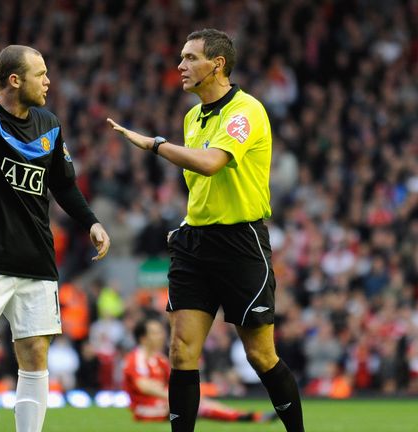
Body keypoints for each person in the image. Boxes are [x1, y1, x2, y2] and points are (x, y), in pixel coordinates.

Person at [107, 28, 305, 432]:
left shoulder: (246, 110)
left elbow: (213, 164)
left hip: (241, 242)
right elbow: (204, 189)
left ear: (217, 64)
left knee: (260, 355)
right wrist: (188, 223)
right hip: (195, 243)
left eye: (190, 58)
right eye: (181, 57)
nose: (180, 65)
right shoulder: (192, 117)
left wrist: (154, 144)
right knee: (181, 350)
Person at [0, 45, 110, 432]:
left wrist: (92, 222)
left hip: (36, 262)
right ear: (15, 80)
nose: (48, 80)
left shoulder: (49, 124)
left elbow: (64, 185)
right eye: (41, 73)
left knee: (34, 355)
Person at [124, 318, 277, 424]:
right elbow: (144, 386)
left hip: (161, 404)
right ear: (143, 338)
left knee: (198, 399)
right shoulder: (136, 358)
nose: (161, 335)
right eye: (155, 333)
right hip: (144, 410)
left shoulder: (160, 359)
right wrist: (177, 396)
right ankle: (247, 417)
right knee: (195, 403)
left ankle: (243, 415)